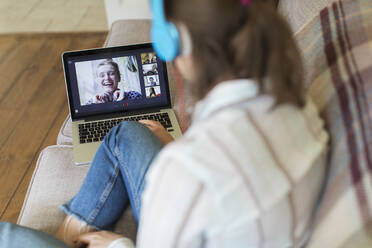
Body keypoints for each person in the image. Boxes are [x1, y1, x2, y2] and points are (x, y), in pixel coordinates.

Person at [0, 0, 329, 247]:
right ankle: (71, 231)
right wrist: (181, 147)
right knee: (127, 132)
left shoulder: (183, 171)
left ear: (172, 41)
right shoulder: (297, 105)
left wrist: (115, 244)